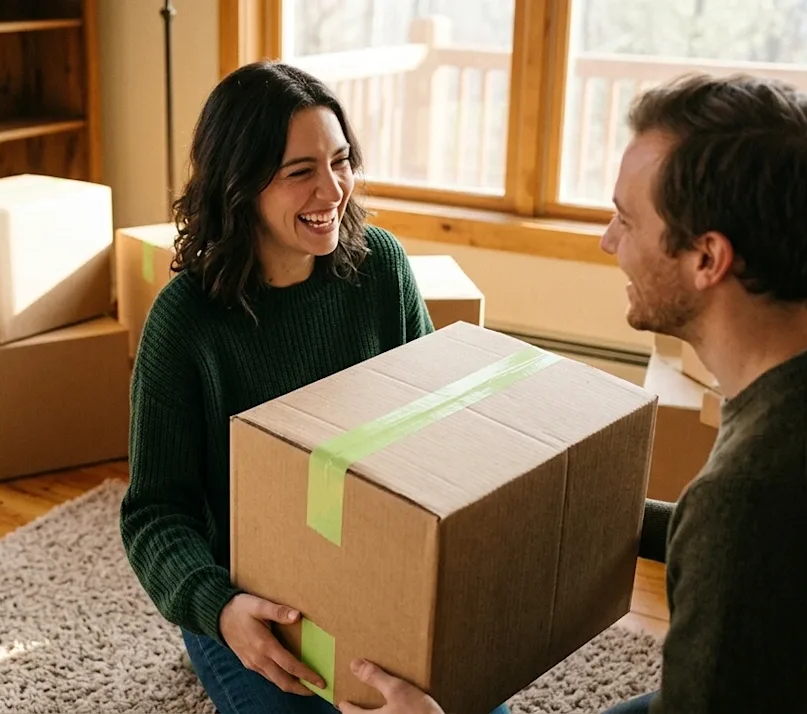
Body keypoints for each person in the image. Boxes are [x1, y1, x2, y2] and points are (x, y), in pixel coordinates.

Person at [340, 72, 807, 714]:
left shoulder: (756, 494)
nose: (608, 240)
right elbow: (779, 553)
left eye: (627, 220)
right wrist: (572, 512)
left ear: (708, 259)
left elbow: (750, 531)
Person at [119, 61, 514, 714]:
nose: (332, 189)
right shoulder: (185, 323)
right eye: (301, 171)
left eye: (341, 161)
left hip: (379, 570)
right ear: (239, 184)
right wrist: (219, 609)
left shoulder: (381, 269)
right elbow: (154, 513)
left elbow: (430, 436)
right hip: (254, 602)